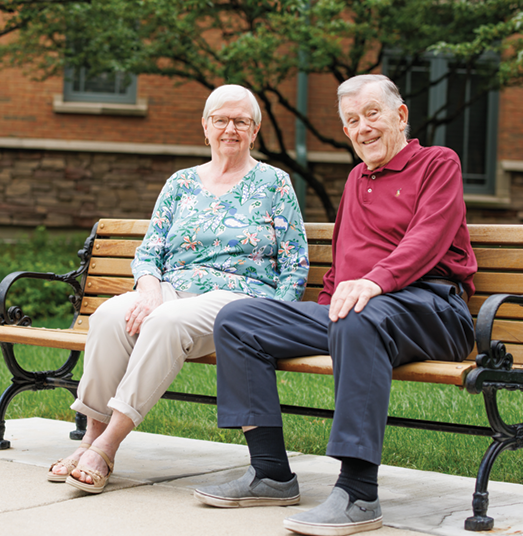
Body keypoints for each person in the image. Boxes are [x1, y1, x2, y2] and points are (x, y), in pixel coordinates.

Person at [193, 74, 477, 536]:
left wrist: (373, 282)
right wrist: (329, 301)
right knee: (238, 319)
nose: (362, 127)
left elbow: (428, 239)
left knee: (357, 317)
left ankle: (359, 493)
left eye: (372, 114)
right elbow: (345, 259)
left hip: (434, 309)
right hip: (361, 311)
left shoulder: (437, 163)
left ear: (399, 116)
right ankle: (270, 473)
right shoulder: (356, 179)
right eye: (351, 121)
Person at [48, 84, 309, 494]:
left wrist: (270, 321)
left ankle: (107, 448)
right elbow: (149, 251)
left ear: (255, 131)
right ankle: (89, 439)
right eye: (221, 120)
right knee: (109, 316)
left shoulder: (274, 184)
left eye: (241, 121)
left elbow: (295, 265)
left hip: (238, 301)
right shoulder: (181, 183)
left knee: (167, 322)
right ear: (205, 128)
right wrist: (149, 289)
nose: (230, 129)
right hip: (172, 290)